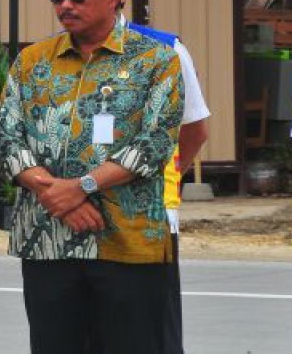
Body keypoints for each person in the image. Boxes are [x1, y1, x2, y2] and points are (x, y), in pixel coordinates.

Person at [0, 0, 184, 354]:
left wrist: (80, 186)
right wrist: (56, 196)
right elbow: (8, 139)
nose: (65, 5)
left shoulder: (156, 61)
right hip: (47, 238)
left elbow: (154, 143)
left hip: (127, 242)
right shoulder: (31, 61)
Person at [124, 19, 209, 354]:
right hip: (76, 218)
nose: (67, 5)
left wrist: (163, 175)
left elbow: (194, 130)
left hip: (150, 217)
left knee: (152, 335)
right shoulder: (53, 53)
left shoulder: (167, 49)